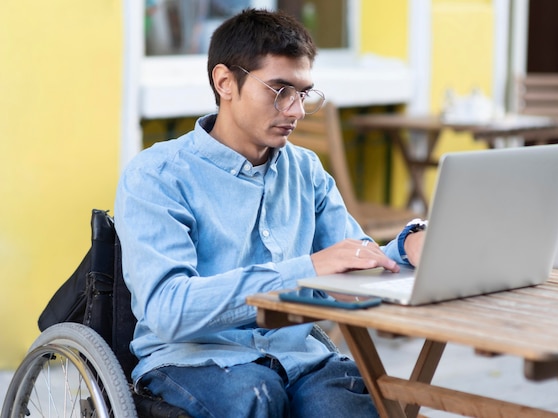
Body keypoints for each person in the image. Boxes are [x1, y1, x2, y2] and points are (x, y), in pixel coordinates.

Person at [115, 8, 425, 417]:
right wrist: (307, 269)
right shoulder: (156, 176)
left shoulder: (306, 170)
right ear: (225, 82)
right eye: (280, 89)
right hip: (193, 360)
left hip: (300, 358)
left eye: (303, 92)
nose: (296, 110)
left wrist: (408, 249)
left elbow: (349, 265)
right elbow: (169, 311)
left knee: (356, 403)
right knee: (257, 396)